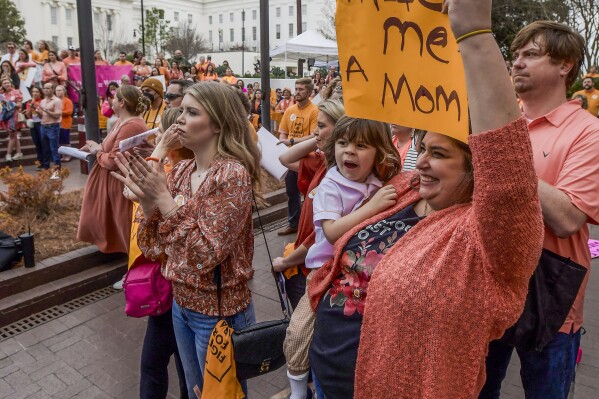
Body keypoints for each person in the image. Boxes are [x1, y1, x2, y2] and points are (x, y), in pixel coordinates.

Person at [307, 0, 545, 397]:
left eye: (440, 154)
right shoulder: (405, 189)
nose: (423, 163)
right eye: (423, 148)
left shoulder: (487, 239)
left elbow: (508, 176)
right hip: (329, 372)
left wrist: (474, 35)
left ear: (476, 167)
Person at [113, 82, 263, 398]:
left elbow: (205, 255)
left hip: (218, 314)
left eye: (191, 112)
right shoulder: (182, 170)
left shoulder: (231, 175)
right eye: (181, 110)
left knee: (220, 396)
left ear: (219, 124)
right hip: (180, 305)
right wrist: (150, 208)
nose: (179, 119)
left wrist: (166, 205)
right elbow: (154, 249)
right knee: (196, 393)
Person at [480, 21, 599, 399]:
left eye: (530, 54)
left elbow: (567, 219)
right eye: (515, 55)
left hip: (550, 299)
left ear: (565, 65)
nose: (517, 63)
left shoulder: (588, 132)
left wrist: (506, 154)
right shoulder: (497, 120)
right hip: (488, 285)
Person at [283, 114, 400, 399]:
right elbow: (333, 232)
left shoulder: (376, 183)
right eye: (344, 143)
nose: (349, 150)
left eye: (361, 146)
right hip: (323, 272)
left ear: (378, 153)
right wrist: (372, 207)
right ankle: (297, 390)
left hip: (354, 276)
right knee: (299, 332)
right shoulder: (331, 185)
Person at [77, 85, 150, 253]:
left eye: (115, 97)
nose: (111, 100)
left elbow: (113, 160)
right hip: (109, 180)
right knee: (111, 220)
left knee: (122, 221)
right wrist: (96, 147)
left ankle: (130, 261)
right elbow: (107, 147)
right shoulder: (121, 121)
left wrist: (97, 151)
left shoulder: (133, 126)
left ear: (122, 103)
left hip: (119, 182)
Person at [277, 78, 319, 237]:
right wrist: (284, 143)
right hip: (290, 158)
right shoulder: (290, 110)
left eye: (301, 89)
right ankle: (294, 223)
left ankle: (311, 227)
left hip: (306, 159)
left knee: (310, 194)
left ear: (309, 92)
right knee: (291, 192)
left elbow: (313, 137)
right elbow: (283, 131)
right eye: (297, 88)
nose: (298, 92)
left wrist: (292, 141)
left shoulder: (315, 111)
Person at [38, 83, 63, 176]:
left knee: (54, 149)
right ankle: (46, 168)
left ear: (52, 89)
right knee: (45, 148)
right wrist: (39, 112)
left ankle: (57, 170)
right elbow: (41, 116)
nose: (46, 90)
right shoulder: (43, 101)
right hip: (43, 126)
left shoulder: (57, 101)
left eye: (48, 88)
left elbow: (57, 115)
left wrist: (46, 111)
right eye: (44, 88)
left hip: (53, 126)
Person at [1, 78, 23, 162]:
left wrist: (9, 102)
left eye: (8, 82)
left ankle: (8, 154)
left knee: (12, 136)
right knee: (14, 135)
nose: (7, 84)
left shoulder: (16, 92)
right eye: (4, 83)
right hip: (6, 116)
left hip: (14, 116)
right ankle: (19, 153)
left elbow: (19, 105)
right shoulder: (2, 94)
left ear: (11, 83)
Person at [25, 87, 46, 170]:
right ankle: (39, 162)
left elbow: (42, 115)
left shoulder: (43, 101)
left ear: (40, 93)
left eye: (37, 92)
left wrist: (36, 107)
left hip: (41, 123)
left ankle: (45, 162)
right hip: (33, 124)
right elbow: (28, 115)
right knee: (37, 143)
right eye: (33, 92)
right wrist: (31, 105)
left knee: (43, 142)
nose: (35, 93)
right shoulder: (29, 102)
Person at [54, 85, 74, 162]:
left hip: (65, 123)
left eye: (60, 90)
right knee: (59, 141)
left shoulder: (67, 101)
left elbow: (69, 112)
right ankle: (63, 155)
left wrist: (58, 113)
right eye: (57, 90)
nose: (58, 92)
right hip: (56, 123)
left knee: (65, 140)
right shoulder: (55, 100)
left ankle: (68, 155)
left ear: (64, 91)